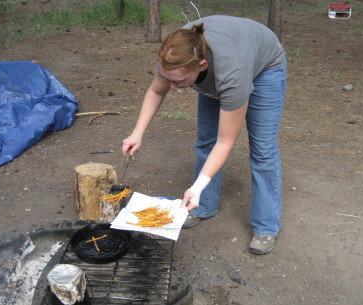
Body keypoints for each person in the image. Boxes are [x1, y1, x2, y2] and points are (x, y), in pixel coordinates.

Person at [122, 15, 286, 255]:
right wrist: (137, 132)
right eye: (169, 79)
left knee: (262, 150)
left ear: (201, 65)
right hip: (218, 63)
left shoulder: (232, 73)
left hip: (264, 65)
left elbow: (226, 141)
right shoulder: (175, 54)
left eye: (179, 82)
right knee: (205, 141)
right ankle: (203, 206)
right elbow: (156, 91)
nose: (174, 88)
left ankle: (265, 226)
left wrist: (196, 186)